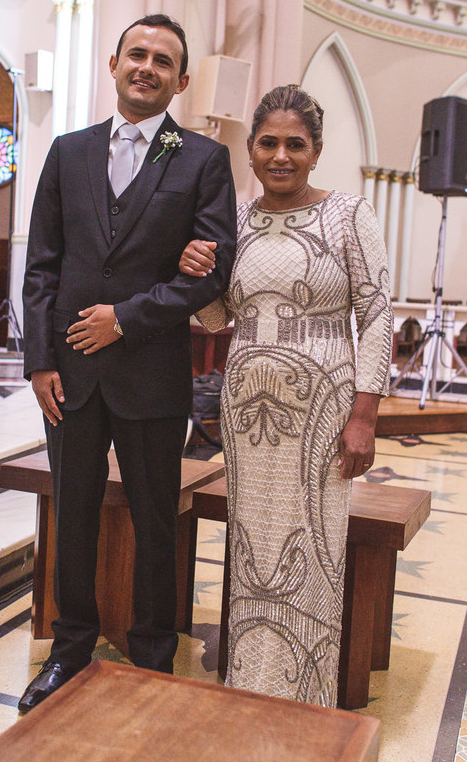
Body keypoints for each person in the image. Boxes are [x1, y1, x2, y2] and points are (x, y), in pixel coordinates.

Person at [18, 13, 237, 713]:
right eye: (136, 54)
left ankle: (152, 655)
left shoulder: (202, 160)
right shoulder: (68, 151)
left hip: (151, 374)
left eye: (162, 61)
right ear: (113, 64)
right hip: (71, 378)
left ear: (181, 80)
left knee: (154, 521)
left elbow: (211, 269)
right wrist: (39, 361)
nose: (147, 67)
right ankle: (70, 645)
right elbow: (42, 263)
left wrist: (126, 319)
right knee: (72, 514)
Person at [179, 84, 394, 706]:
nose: (281, 156)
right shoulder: (234, 221)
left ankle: (306, 688)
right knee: (252, 538)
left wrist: (364, 414)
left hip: (324, 411)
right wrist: (194, 268)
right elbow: (220, 319)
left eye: (294, 144)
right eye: (268, 143)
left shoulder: (350, 214)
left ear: (316, 151)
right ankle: (249, 677)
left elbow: (377, 312)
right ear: (249, 150)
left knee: (316, 539)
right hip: (248, 409)